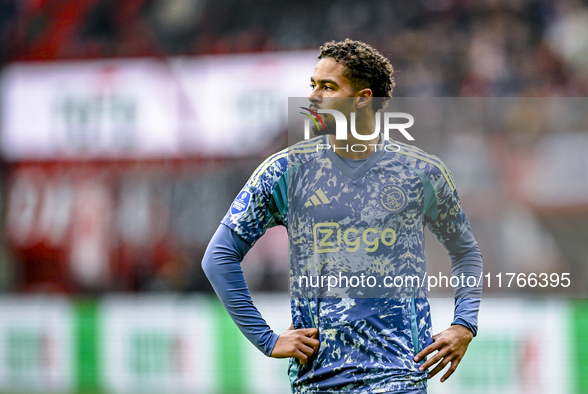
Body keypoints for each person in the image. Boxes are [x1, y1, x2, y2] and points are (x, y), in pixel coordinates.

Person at [202, 39, 482, 394]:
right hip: (319, 382)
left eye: (328, 87)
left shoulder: (419, 173)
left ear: (363, 97)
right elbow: (219, 257)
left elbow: (466, 252)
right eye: (312, 85)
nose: (314, 97)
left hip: (399, 380)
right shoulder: (286, 172)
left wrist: (464, 325)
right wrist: (267, 339)